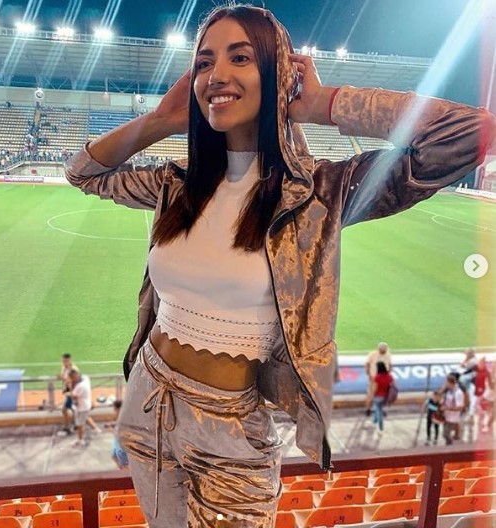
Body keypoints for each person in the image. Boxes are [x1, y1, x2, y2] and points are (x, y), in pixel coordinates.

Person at [64, 5, 496, 526]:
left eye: (240, 57)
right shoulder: (177, 186)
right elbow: (82, 172)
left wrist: (323, 104)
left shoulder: (321, 193)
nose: (216, 74)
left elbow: (470, 134)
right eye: (204, 62)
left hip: (230, 431)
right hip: (146, 398)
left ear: (278, 72)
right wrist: (162, 121)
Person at [66, 369, 93, 447]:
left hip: (82, 407)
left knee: (80, 425)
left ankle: (81, 440)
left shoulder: (79, 386)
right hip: (84, 405)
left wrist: (70, 388)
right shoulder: (85, 378)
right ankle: (81, 438)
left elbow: (74, 396)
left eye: (71, 378)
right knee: (80, 423)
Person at [366, 361, 393, 436]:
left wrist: (370, 397)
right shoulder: (389, 376)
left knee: (379, 412)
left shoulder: (377, 377)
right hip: (385, 396)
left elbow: (374, 389)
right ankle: (374, 422)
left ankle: (381, 429)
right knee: (377, 409)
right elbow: (393, 385)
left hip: (378, 397)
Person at [365, 342, 392, 415]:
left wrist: (388, 375)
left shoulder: (388, 355)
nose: (384, 351)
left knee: (382, 394)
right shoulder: (372, 354)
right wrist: (368, 374)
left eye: (385, 350)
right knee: (371, 393)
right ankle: (368, 409)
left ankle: (380, 409)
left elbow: (390, 365)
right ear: (378, 349)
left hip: (384, 378)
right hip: (374, 377)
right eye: (383, 350)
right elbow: (367, 364)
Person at [442, 374, 466, 446]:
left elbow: (460, 407)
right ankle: (449, 443)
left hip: (453, 417)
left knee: (446, 434)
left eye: (446, 382)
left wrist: (447, 408)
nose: (445, 384)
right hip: (447, 416)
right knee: (445, 434)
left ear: (450, 383)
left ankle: (450, 445)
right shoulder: (449, 391)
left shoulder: (458, 393)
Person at [57, 353, 78, 436]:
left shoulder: (73, 369)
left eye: (66, 361)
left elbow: (75, 381)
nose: (64, 362)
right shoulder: (63, 368)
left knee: (64, 410)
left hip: (71, 392)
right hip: (67, 392)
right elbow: (65, 378)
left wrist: (72, 392)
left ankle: (67, 428)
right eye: (63, 361)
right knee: (72, 409)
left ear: (70, 360)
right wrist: (62, 378)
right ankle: (76, 425)